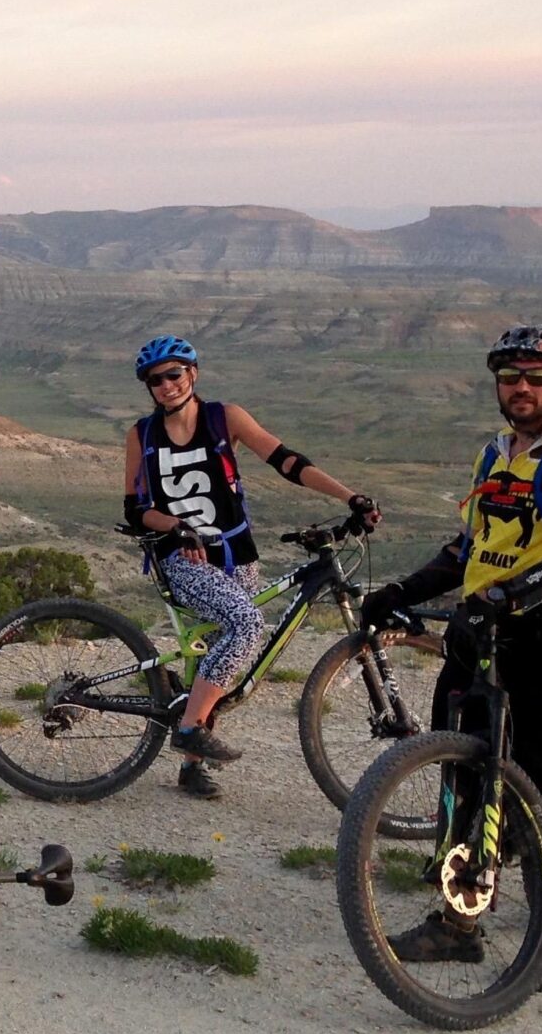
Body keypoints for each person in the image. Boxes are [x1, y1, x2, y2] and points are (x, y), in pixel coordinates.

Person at [362, 323, 542, 993]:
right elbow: (468, 547)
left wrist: (504, 597)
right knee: (463, 778)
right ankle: (458, 924)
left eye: (538, 378)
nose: (523, 390)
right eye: (512, 379)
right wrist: (400, 589)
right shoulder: (496, 455)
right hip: (481, 637)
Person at [123, 336, 377, 790]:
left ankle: (191, 766)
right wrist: (178, 527)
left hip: (236, 554)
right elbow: (135, 508)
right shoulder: (141, 435)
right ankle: (187, 730)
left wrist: (349, 496)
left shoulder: (225, 418)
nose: (166, 385)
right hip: (182, 556)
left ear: (193, 373)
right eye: (155, 380)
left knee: (225, 648)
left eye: (174, 374)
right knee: (245, 626)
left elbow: (287, 462)